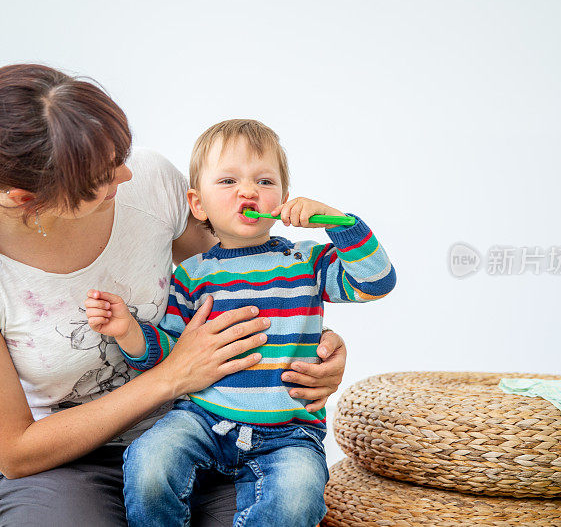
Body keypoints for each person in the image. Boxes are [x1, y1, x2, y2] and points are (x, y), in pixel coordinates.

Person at [0, 64, 349, 527]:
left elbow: (243, 281)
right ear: (27, 198)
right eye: (103, 179)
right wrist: (171, 376)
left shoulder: (149, 180)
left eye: (119, 155)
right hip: (63, 461)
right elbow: (15, 452)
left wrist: (315, 345)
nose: (126, 175)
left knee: (285, 510)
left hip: (202, 429)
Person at [85, 119, 396, 526]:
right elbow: (170, 354)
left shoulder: (306, 262)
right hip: (202, 419)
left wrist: (339, 223)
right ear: (198, 205)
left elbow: (375, 282)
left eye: (264, 181)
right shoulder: (191, 274)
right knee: (149, 460)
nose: (248, 191)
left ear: (284, 199)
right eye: (228, 180)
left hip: (288, 431)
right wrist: (128, 330)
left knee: (299, 497)